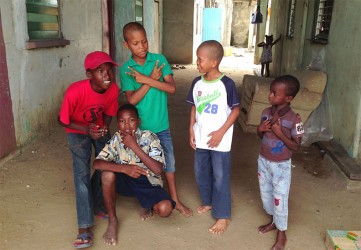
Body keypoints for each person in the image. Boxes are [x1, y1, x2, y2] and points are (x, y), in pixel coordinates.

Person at [120, 22, 192, 217]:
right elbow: (132, 100)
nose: (142, 47)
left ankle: (175, 200)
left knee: (169, 163)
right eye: (136, 43)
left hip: (161, 126)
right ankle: (147, 201)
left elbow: (171, 88)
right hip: (141, 129)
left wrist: (147, 80)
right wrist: (149, 80)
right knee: (143, 164)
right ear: (126, 45)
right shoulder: (126, 69)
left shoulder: (159, 60)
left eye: (144, 41)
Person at [58, 51, 119, 248]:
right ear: (89, 74)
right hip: (76, 131)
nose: (107, 75)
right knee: (81, 173)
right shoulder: (75, 91)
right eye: (101, 71)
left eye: (109, 70)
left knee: (106, 165)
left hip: (98, 129)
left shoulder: (112, 89)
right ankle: (84, 228)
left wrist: (104, 128)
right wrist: (86, 130)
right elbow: (61, 120)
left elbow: (109, 113)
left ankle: (94, 202)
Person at [93, 103, 175, 246]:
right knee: (107, 174)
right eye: (122, 121)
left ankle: (145, 203)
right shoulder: (116, 139)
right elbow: (97, 164)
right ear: (117, 123)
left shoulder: (150, 137)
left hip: (147, 181)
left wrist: (134, 146)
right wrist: (124, 169)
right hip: (125, 180)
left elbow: (157, 170)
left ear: (138, 121)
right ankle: (113, 220)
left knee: (165, 209)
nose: (127, 125)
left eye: (131, 120)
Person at [186, 40, 240, 234]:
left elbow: (235, 111)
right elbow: (194, 106)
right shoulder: (197, 82)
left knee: (220, 176)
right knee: (201, 171)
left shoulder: (226, 84)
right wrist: (191, 128)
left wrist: (221, 132)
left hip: (220, 141)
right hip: (201, 138)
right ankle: (208, 202)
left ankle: (223, 215)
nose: (197, 62)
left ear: (214, 62)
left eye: (200, 59)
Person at [256, 75, 304, 250]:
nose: (270, 95)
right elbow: (260, 135)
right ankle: (274, 222)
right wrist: (260, 129)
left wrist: (279, 132)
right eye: (270, 91)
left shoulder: (295, 119)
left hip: (281, 166)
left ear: (288, 98)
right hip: (263, 161)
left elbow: (296, 146)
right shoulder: (265, 113)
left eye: (274, 93)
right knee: (266, 194)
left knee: (280, 198)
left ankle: (281, 233)